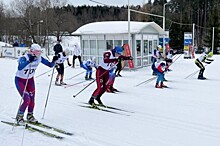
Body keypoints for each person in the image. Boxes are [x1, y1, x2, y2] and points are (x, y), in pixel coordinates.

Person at [15, 43, 58, 125]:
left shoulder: (39, 58)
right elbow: (20, 67)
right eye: (37, 52)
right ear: (31, 51)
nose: (38, 54)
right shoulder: (24, 58)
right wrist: (29, 61)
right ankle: (19, 117)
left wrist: (54, 60)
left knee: (32, 99)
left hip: (30, 80)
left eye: (39, 52)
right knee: (26, 99)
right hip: (20, 80)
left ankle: (30, 116)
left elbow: (50, 65)